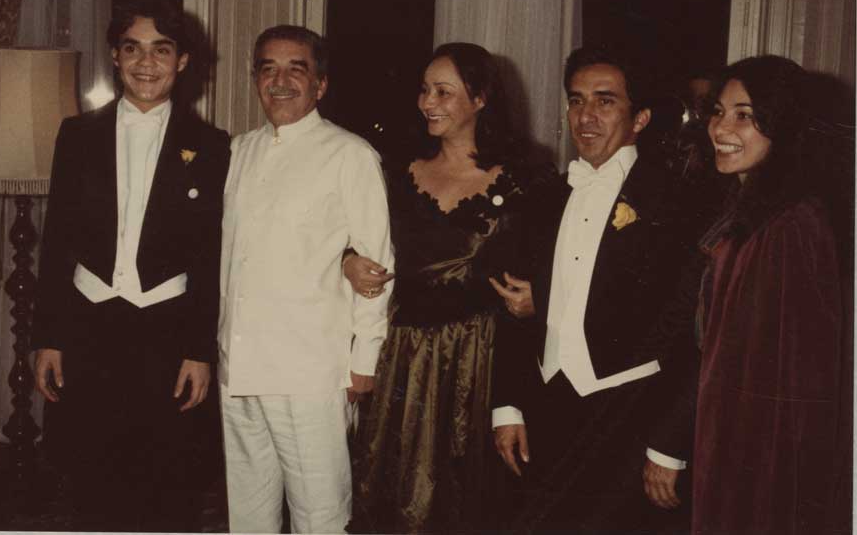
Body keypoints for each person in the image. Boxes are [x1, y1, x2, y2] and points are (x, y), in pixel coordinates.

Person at [31, 0, 230, 530]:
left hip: (164, 334)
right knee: (89, 478)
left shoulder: (212, 147)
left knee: (167, 484)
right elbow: (58, 243)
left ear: (183, 61)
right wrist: (47, 337)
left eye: (161, 50)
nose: (147, 62)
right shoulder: (76, 136)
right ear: (116, 58)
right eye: (133, 48)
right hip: (90, 326)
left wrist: (198, 351)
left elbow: (210, 258)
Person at [342, 42, 556, 533]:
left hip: (479, 361)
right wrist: (348, 260)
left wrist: (538, 296)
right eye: (424, 89)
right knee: (390, 493)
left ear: (480, 98)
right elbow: (339, 235)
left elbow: (556, 264)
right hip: (401, 358)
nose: (427, 102)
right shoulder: (395, 170)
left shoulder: (528, 176)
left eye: (443, 91)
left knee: (467, 501)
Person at [491, 45, 701, 533]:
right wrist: (508, 406)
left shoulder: (677, 202)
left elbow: (686, 330)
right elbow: (512, 303)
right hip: (547, 402)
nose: (585, 116)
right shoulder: (543, 196)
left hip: (630, 408)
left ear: (640, 118)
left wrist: (668, 442)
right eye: (576, 100)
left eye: (605, 101)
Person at [219, 25, 393, 534]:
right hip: (239, 363)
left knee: (320, 516)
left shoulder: (350, 154)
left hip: (309, 370)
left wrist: (365, 360)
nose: (280, 80)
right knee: (247, 515)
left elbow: (378, 262)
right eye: (268, 68)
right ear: (254, 79)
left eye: (297, 68)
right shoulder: (238, 151)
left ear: (320, 85)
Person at [693, 56, 849, 534]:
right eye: (717, 111)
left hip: (762, 456)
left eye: (745, 114)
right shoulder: (750, 214)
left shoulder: (794, 225)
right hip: (732, 438)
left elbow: (806, 385)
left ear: (783, 124)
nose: (721, 127)